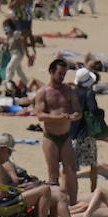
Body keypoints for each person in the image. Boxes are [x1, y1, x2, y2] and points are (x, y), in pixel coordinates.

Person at [34, 58, 84, 203]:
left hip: (65, 136)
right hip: (50, 137)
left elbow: (78, 111)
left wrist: (73, 117)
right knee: (53, 173)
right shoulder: (43, 92)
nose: (62, 77)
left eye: (64, 74)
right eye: (60, 73)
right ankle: (55, 205)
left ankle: (73, 203)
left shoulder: (69, 91)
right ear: (51, 72)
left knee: (71, 171)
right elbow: (40, 116)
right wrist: (59, 118)